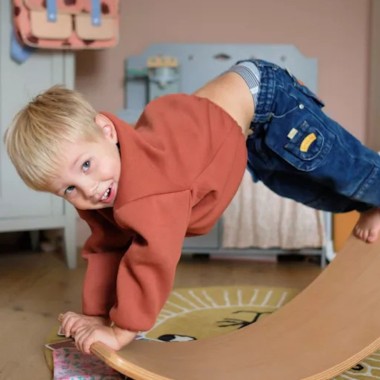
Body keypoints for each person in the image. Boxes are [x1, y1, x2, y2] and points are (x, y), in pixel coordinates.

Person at [4, 59, 380, 354]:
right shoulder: (104, 187)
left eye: (86, 166)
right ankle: (369, 204)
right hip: (242, 125)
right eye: (69, 188)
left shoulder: (150, 189)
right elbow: (106, 247)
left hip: (267, 97)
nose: (89, 189)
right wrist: (94, 315)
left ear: (106, 131)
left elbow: (151, 259)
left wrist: (122, 329)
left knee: (341, 169)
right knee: (294, 184)